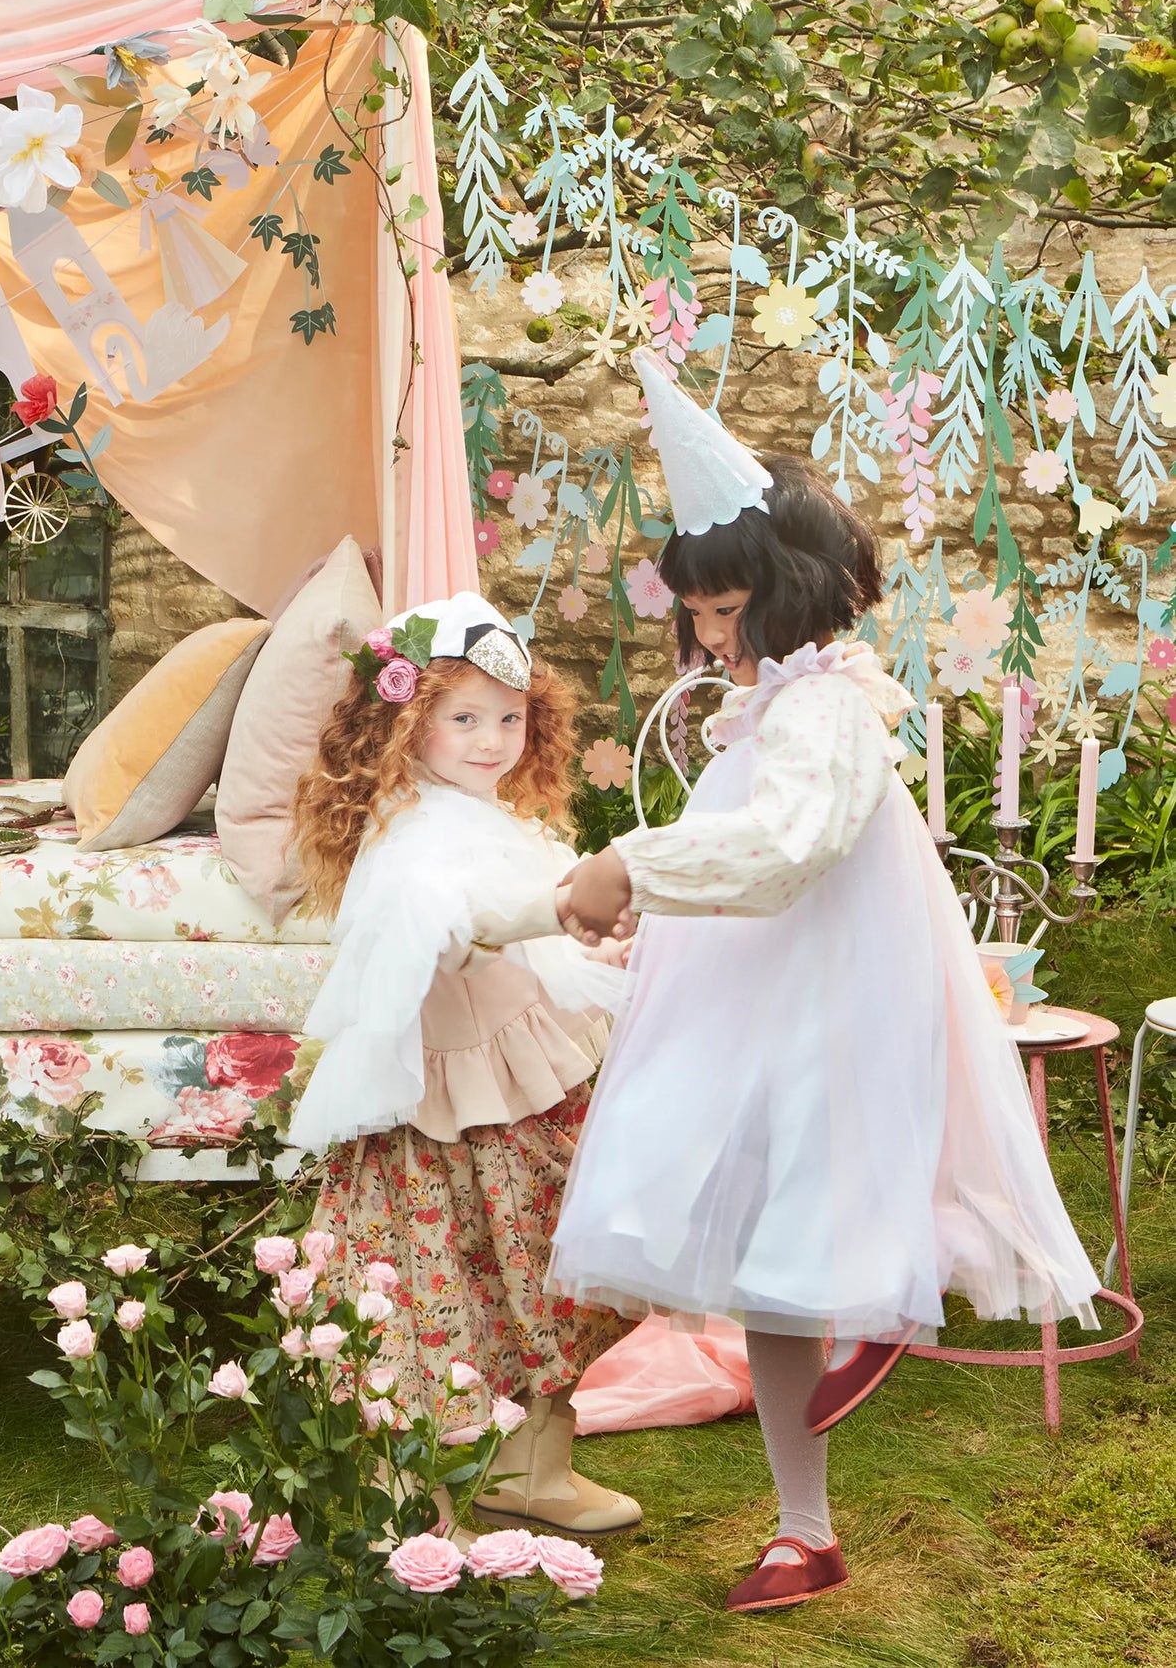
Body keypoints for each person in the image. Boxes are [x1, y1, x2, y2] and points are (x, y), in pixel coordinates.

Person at [550, 354, 1100, 1612]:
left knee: (795, 1235)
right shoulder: (766, 706)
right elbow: (743, 866)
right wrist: (649, 933)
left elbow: (786, 848)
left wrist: (623, 859)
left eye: (723, 605)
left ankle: (842, 1404)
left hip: (826, 1011)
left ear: (789, 590)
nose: (702, 631)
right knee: (765, 1261)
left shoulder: (827, 711)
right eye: (693, 609)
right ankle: (806, 1524)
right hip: (756, 998)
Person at [286, 593, 640, 1534]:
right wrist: (559, 907)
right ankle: (405, 1483)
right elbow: (452, 924)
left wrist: (589, 939)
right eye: (465, 718)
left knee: (549, 1271)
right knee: (424, 1283)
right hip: (439, 1102)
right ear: (407, 722)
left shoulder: (489, 819)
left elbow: (519, 919)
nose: (492, 742)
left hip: (526, 1077)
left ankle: (532, 1465)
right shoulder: (411, 835)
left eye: (511, 719)